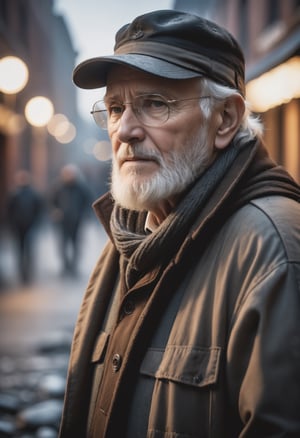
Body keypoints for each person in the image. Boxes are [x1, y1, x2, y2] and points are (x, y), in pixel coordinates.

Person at [59, 10, 300, 438]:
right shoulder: (129, 236)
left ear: (225, 118)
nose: (125, 130)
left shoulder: (273, 247)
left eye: (154, 104)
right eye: (115, 108)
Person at [49, 164, 93, 276]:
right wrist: (55, 210)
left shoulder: (81, 187)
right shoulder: (57, 187)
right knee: (62, 245)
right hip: (62, 222)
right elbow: (51, 201)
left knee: (76, 245)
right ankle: (65, 266)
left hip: (77, 221)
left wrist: (84, 214)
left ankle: (74, 267)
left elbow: (88, 202)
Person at [7, 170, 44, 283]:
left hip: (30, 226)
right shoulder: (14, 194)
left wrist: (37, 224)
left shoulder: (33, 194)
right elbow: (9, 212)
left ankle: (28, 272)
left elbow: (39, 210)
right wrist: (12, 225)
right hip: (18, 227)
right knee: (19, 250)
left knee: (29, 250)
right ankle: (21, 272)